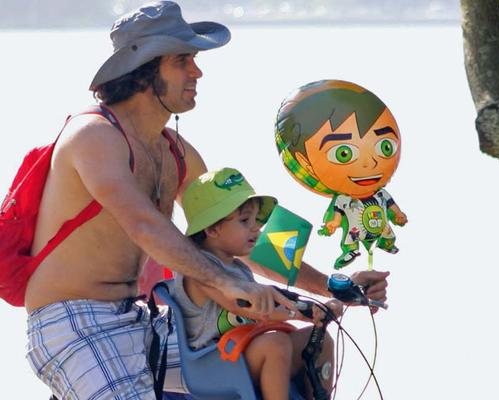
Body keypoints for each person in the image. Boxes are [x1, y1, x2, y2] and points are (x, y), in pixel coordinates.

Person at [23, 1, 390, 399]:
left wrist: (333, 287)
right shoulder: (94, 137)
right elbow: (146, 226)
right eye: (183, 61)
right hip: (73, 321)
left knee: (298, 352)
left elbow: (232, 235)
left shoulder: (177, 153)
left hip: (143, 319)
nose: (197, 71)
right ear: (145, 71)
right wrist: (226, 282)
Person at [171, 167, 344, 400]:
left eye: (256, 220)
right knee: (276, 344)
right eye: (245, 220)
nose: (256, 227)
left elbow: (271, 306)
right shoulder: (199, 268)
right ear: (211, 228)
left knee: (319, 340)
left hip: (246, 349)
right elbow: (246, 306)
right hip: (213, 363)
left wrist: (313, 312)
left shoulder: (239, 268)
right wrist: (298, 312)